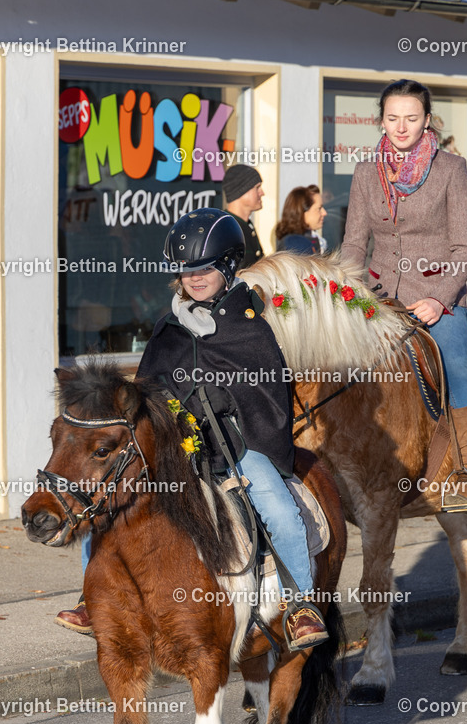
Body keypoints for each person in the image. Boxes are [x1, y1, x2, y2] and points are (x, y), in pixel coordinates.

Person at [57, 209, 328, 650]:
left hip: (239, 445)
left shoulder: (250, 329)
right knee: (107, 498)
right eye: (186, 270)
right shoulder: (169, 328)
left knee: (279, 509)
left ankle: (301, 604)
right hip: (173, 448)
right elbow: (147, 392)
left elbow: (268, 399)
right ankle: (94, 597)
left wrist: (226, 411)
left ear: (226, 266)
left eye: (204, 268)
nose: (194, 278)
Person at [340, 78, 467, 510]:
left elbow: (466, 249)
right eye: (393, 118)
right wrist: (353, 291)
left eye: (411, 118)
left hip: (436, 300)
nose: (401, 127)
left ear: (426, 121)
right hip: (378, 299)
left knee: (456, 363)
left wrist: (439, 299)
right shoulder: (366, 172)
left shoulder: (451, 169)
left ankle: (465, 471)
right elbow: (352, 245)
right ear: (381, 120)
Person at [223, 164, 264, 268]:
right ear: (242, 191)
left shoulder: (246, 225)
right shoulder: (227, 228)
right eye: (257, 187)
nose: (262, 193)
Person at [275, 185, 328, 255]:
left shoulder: (313, 240)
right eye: (319, 208)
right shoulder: (295, 245)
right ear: (302, 211)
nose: (324, 213)